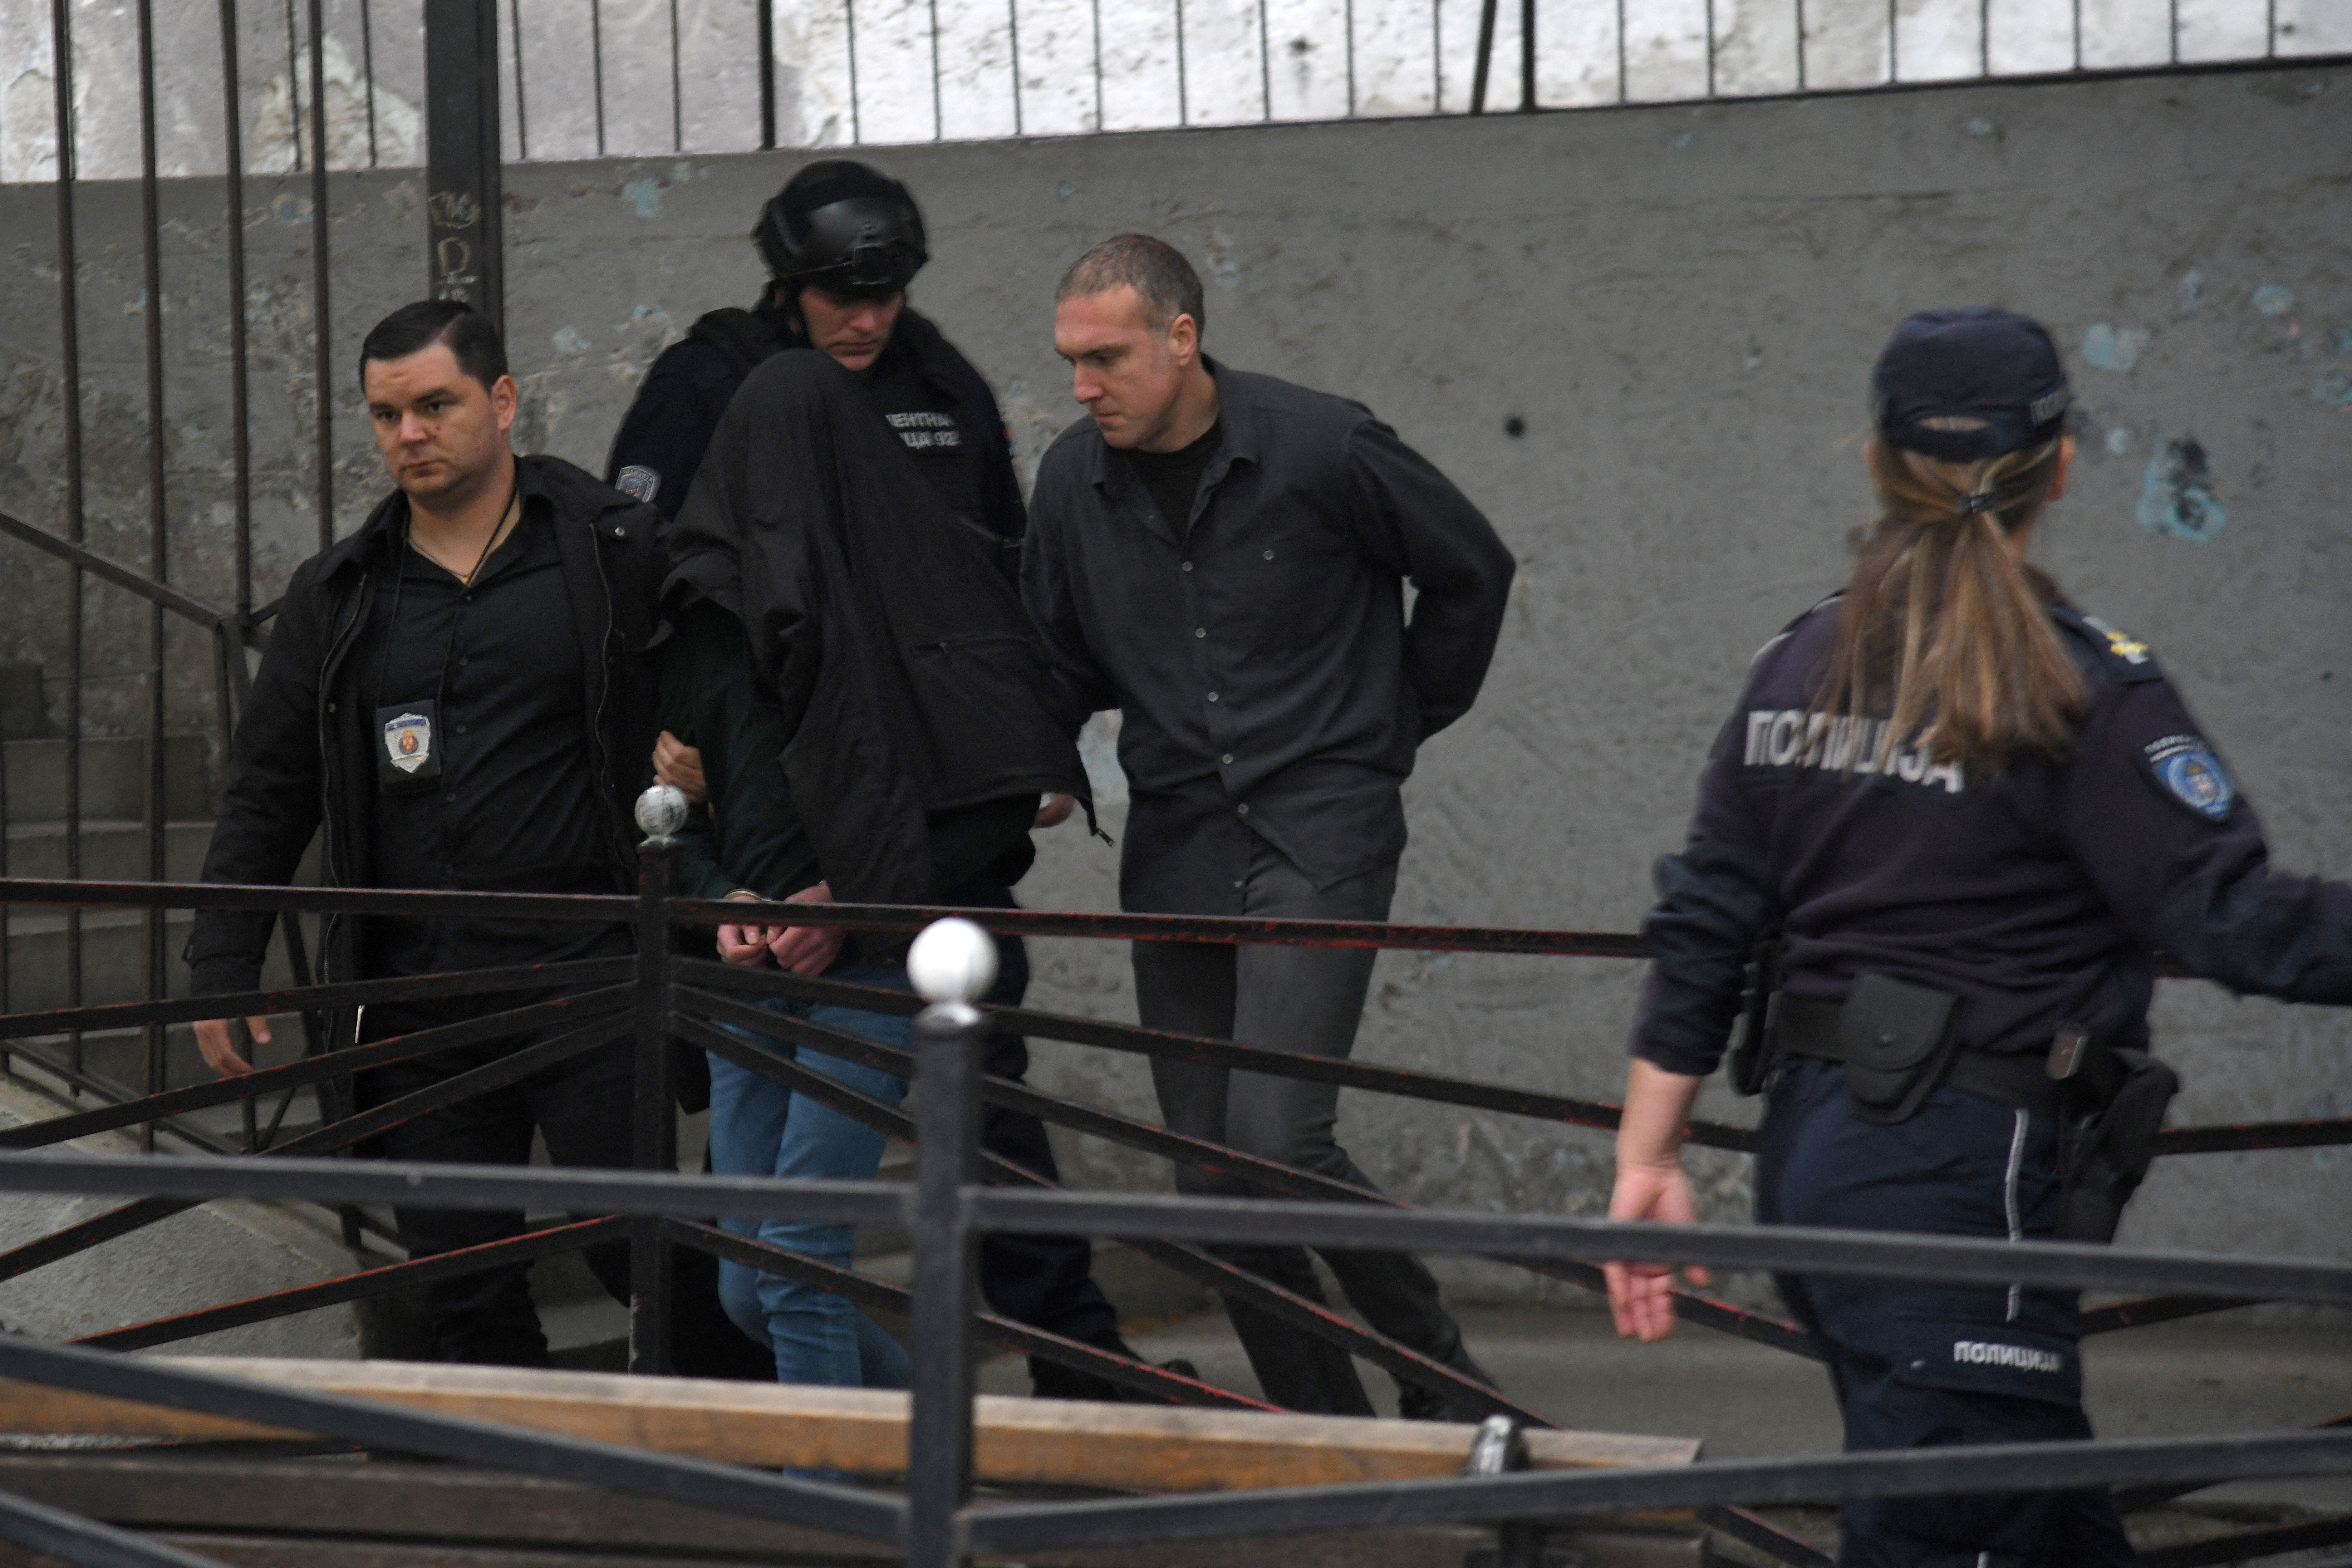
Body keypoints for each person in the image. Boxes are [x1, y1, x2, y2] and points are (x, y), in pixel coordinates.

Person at [1603, 306, 2352, 1566]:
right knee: (1956, 1532)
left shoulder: (1795, 666)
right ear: (2058, 466)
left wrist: (1649, 1153)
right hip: (1964, 1180)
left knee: (2029, 1516)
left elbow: (1707, 913)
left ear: (1876, 462)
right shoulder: (2082, 686)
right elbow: (2232, 917)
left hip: (1814, 1166)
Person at [640, 163, 1165, 1398]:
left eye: (886, 293)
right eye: (838, 293)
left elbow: (1004, 583)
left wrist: (1018, 741)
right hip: (765, 868)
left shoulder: (939, 388)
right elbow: (652, 591)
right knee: (757, 1252)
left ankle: (1052, 1373)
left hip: (913, 859)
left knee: (974, 1104)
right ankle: (892, 1427)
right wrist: (673, 762)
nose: (865, 317)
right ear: (789, 281)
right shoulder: (714, 391)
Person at [183, 300, 762, 1376]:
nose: (410, 433)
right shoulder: (342, 594)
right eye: (387, 414)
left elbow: (725, 685)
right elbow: (269, 787)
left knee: (642, 1260)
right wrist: (224, 958)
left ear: (501, 403)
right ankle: (502, 1514)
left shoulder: (611, 548)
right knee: (461, 1288)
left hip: (592, 976)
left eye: (435, 405)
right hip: (420, 997)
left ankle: (780, 1469)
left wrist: (705, 766)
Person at [1022, 234, 1518, 1417]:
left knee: (1277, 1139)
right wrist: (1034, 762)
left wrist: (1387, 725)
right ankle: (1326, 1423)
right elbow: (1049, 657)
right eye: (1069, 362)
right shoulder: (1068, 483)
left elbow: (1472, 572)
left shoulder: (1322, 444)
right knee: (1206, 1176)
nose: (1083, 386)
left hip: (1319, 825)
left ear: (1182, 339)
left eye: (1106, 357)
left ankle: (1444, 1381)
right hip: (1181, 840)